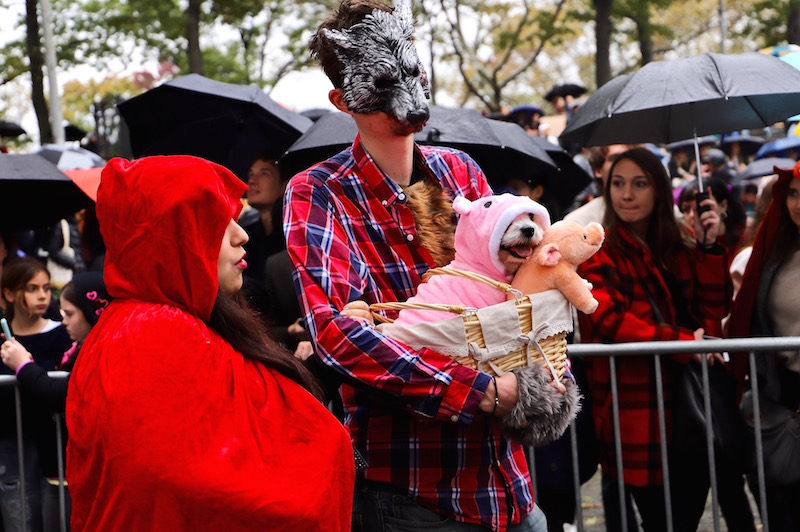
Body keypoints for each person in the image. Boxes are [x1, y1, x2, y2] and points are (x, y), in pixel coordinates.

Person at [284, 1, 548, 530]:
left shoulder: (460, 174)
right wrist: (484, 391)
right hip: (411, 494)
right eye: (379, 83)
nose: (404, 96)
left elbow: (525, 295)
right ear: (341, 100)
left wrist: (386, 324)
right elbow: (339, 336)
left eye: (411, 70)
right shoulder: (319, 193)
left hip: (511, 487)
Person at [65, 155, 354, 530]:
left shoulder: (145, 323)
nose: (241, 234)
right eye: (218, 221)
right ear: (173, 233)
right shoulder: (154, 332)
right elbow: (190, 487)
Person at [576, 148, 745, 531]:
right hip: (638, 412)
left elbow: (711, 313)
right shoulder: (599, 254)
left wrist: (707, 246)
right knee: (660, 519)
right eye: (617, 184)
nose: (626, 194)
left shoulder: (677, 248)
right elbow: (611, 322)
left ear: (659, 189)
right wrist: (686, 343)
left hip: (689, 410)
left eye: (640, 184)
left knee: (682, 519)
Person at [1, 272, 112, 531]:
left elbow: (64, 392)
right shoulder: (83, 346)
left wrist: (24, 367)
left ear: (92, 311)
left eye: (70, 313)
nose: (63, 320)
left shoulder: (101, 350)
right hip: (55, 463)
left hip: (78, 471)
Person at [727, 160, 800, 532]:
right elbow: (746, 315)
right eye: (793, 194)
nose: (799, 203)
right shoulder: (772, 256)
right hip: (783, 392)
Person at [1, 257, 72, 532]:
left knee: (56, 516)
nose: (43, 295)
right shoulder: (4, 339)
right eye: (32, 289)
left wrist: (27, 369)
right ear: (9, 293)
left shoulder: (61, 333)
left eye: (45, 287)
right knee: (18, 516)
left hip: (51, 442)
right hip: (9, 440)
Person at [678, 177, 747, 259]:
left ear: (723, 206)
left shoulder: (744, 241)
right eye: (686, 209)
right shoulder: (685, 250)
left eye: (700, 208)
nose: (692, 215)